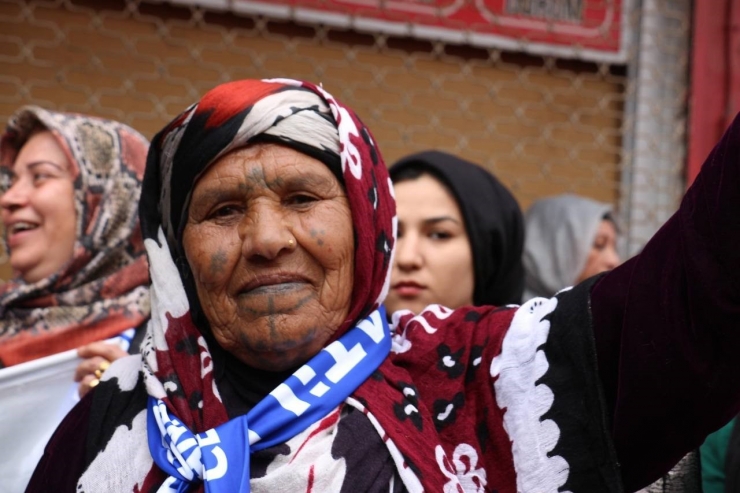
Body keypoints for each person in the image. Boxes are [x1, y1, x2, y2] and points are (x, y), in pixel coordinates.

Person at [27, 79, 740, 492]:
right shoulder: (111, 421)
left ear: (369, 223)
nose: (269, 238)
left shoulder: (481, 376)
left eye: (304, 199)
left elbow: (695, 300)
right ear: (174, 250)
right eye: (222, 211)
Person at [0, 107, 150, 492]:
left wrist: (141, 413)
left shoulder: (173, 350)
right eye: (12, 180)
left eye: (40, 177)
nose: (10, 198)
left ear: (109, 203)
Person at [385, 151, 524, 315]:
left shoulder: (542, 338)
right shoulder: (346, 338)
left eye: (439, 234)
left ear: (490, 252)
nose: (406, 258)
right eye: (392, 234)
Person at [522, 194, 620, 300]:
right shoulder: (513, 314)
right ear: (554, 250)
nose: (614, 261)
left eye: (615, 248)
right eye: (598, 245)